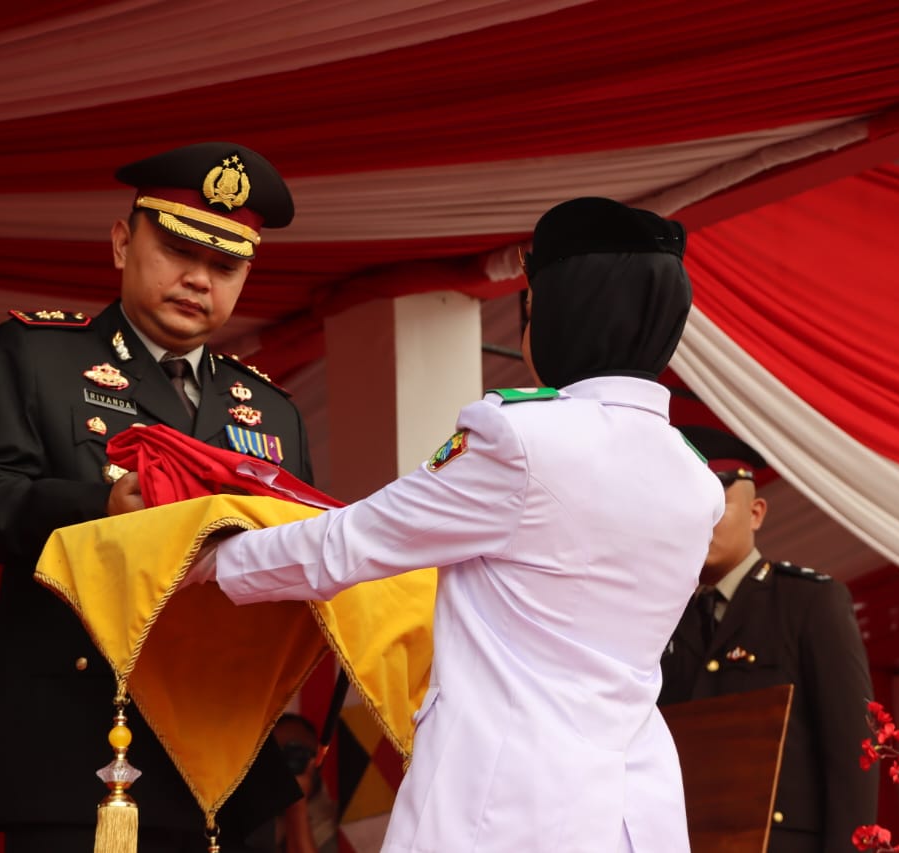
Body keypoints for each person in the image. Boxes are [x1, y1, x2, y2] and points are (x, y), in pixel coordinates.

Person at [190, 197, 725, 852]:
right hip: (634, 809)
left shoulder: (521, 439)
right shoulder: (695, 478)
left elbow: (354, 541)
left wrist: (214, 555)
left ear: (565, 313)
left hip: (509, 805)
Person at [0, 141, 315, 853]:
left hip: (224, 756)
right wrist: (100, 505)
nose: (198, 279)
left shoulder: (271, 411)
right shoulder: (37, 356)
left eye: (225, 265)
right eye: (178, 250)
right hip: (79, 747)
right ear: (121, 243)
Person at [658, 426, 878, 853]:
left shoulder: (809, 601)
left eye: (718, 504)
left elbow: (852, 754)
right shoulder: (663, 618)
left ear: (757, 512)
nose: (703, 520)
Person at [270, 713, 338, 853]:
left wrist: (297, 803)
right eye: (278, 755)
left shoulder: (339, 821)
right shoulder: (251, 823)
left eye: (295, 752)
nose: (287, 765)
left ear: (316, 761)